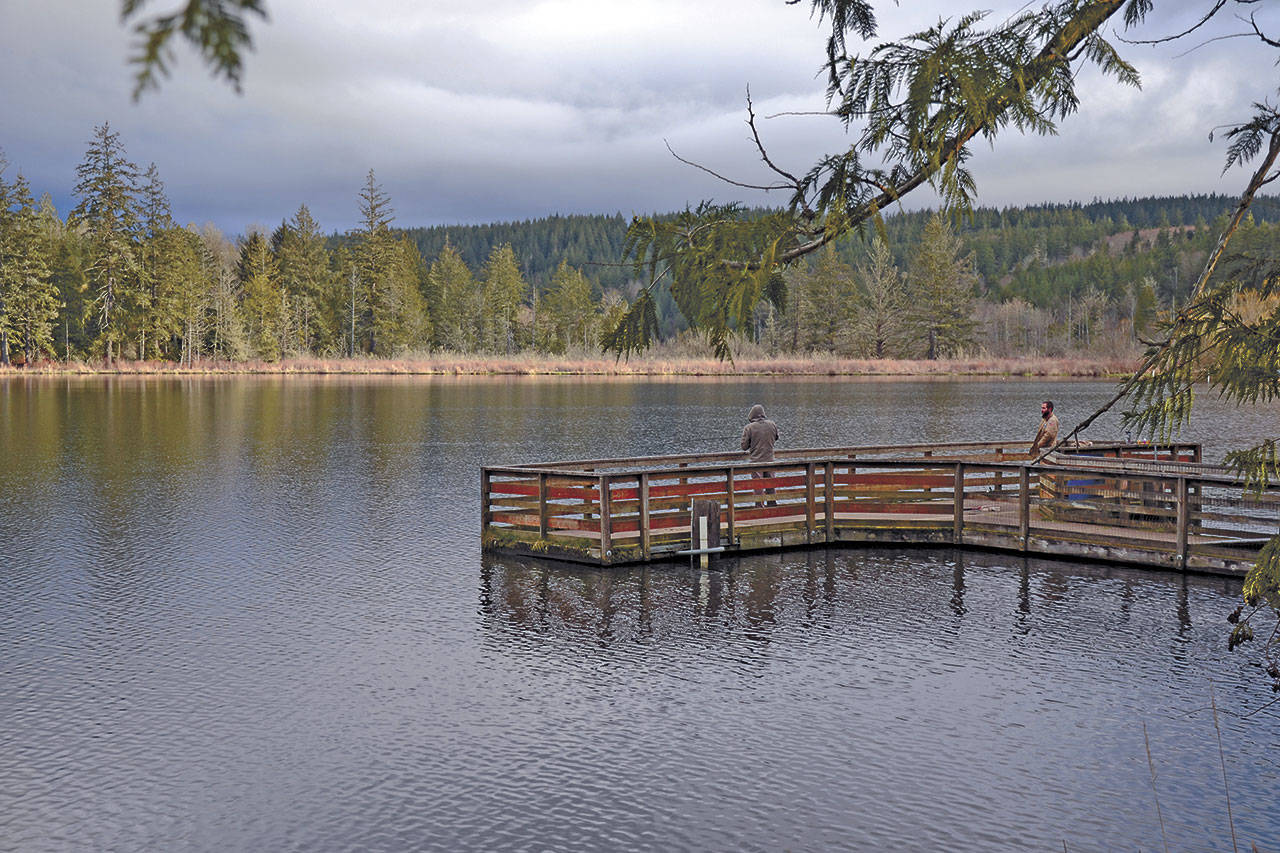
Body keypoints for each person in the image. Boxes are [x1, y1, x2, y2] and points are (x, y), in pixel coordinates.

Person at [741, 404, 779, 506]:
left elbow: (744, 446)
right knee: (771, 485)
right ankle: (772, 506)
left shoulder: (749, 428)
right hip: (770, 460)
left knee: (758, 486)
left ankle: (759, 507)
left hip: (756, 462)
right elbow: (776, 437)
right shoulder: (772, 424)